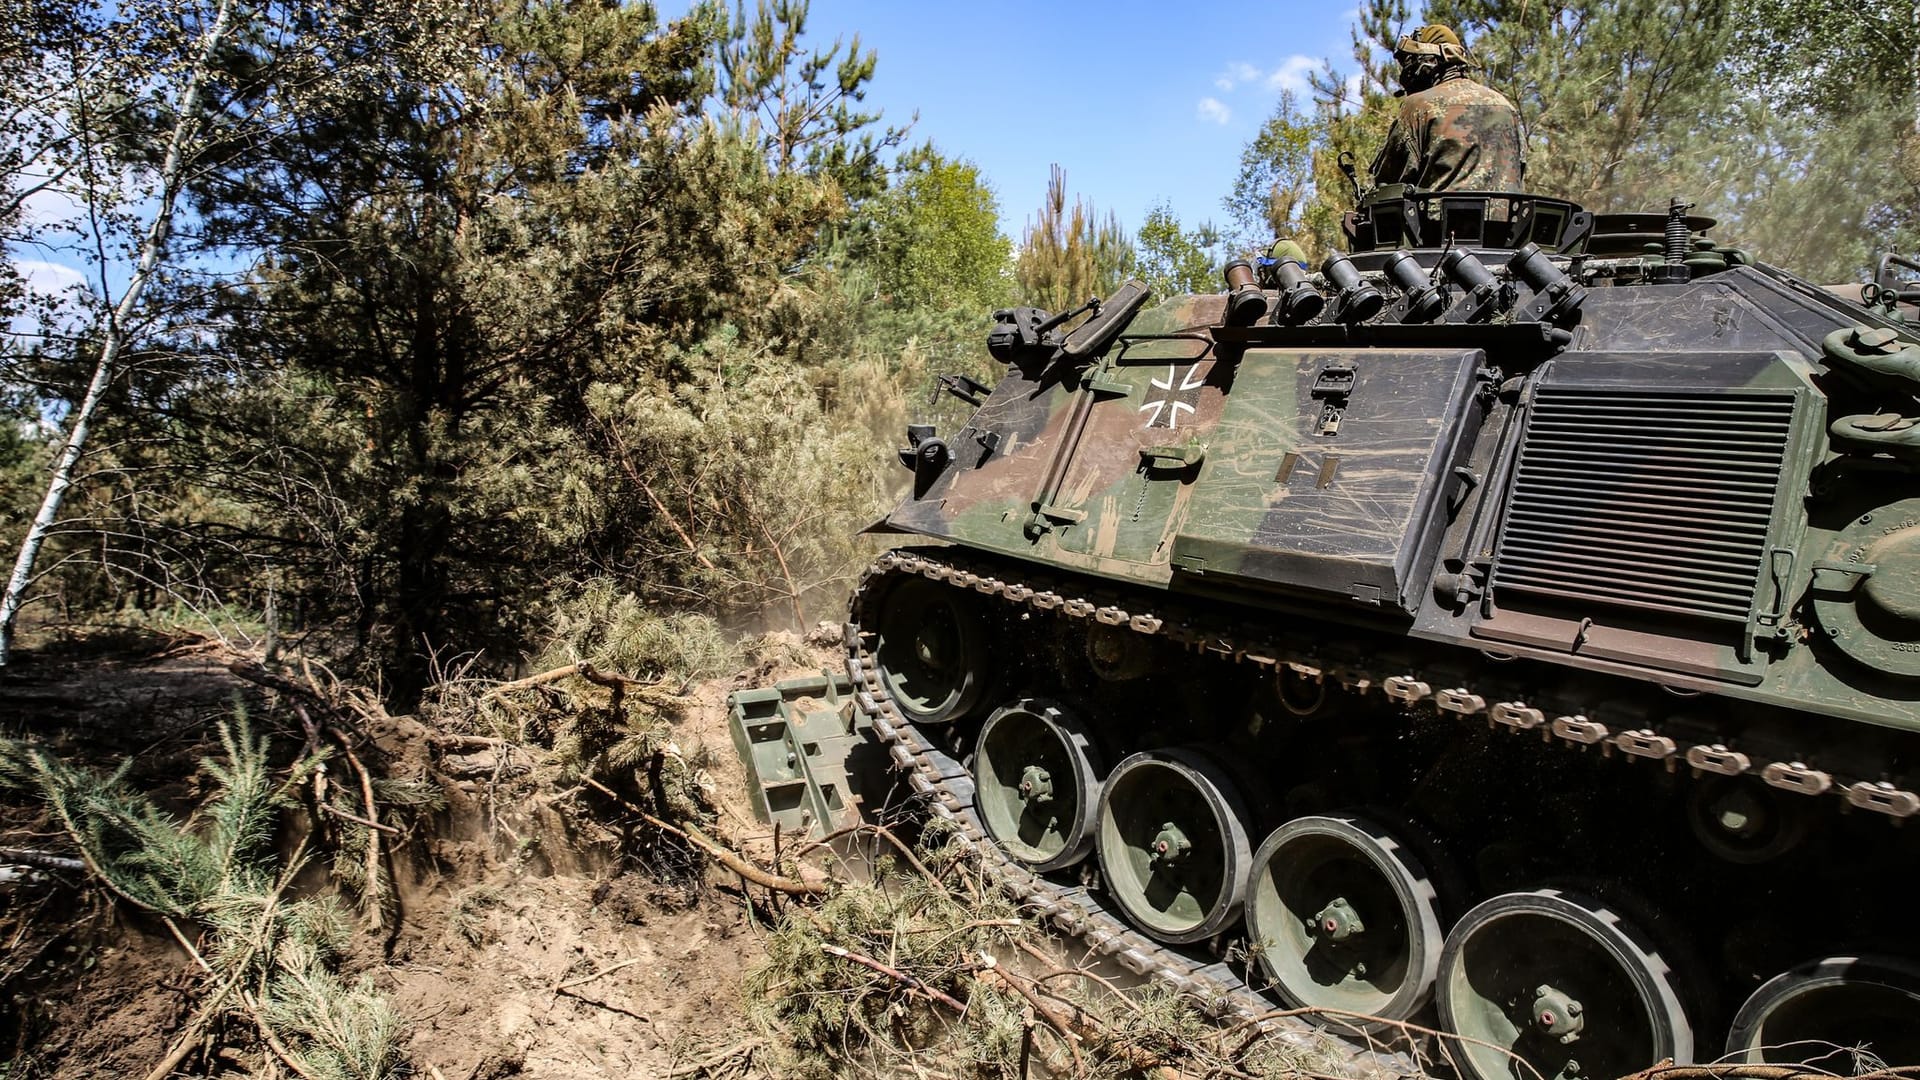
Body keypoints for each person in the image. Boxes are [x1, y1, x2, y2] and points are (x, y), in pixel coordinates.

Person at [1368, 25, 1525, 192]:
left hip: (1438, 218)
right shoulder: (1505, 106)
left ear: (1427, 62)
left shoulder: (1419, 106)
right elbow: (1519, 171)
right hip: (1505, 218)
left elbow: (1389, 184)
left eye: (1409, 62)